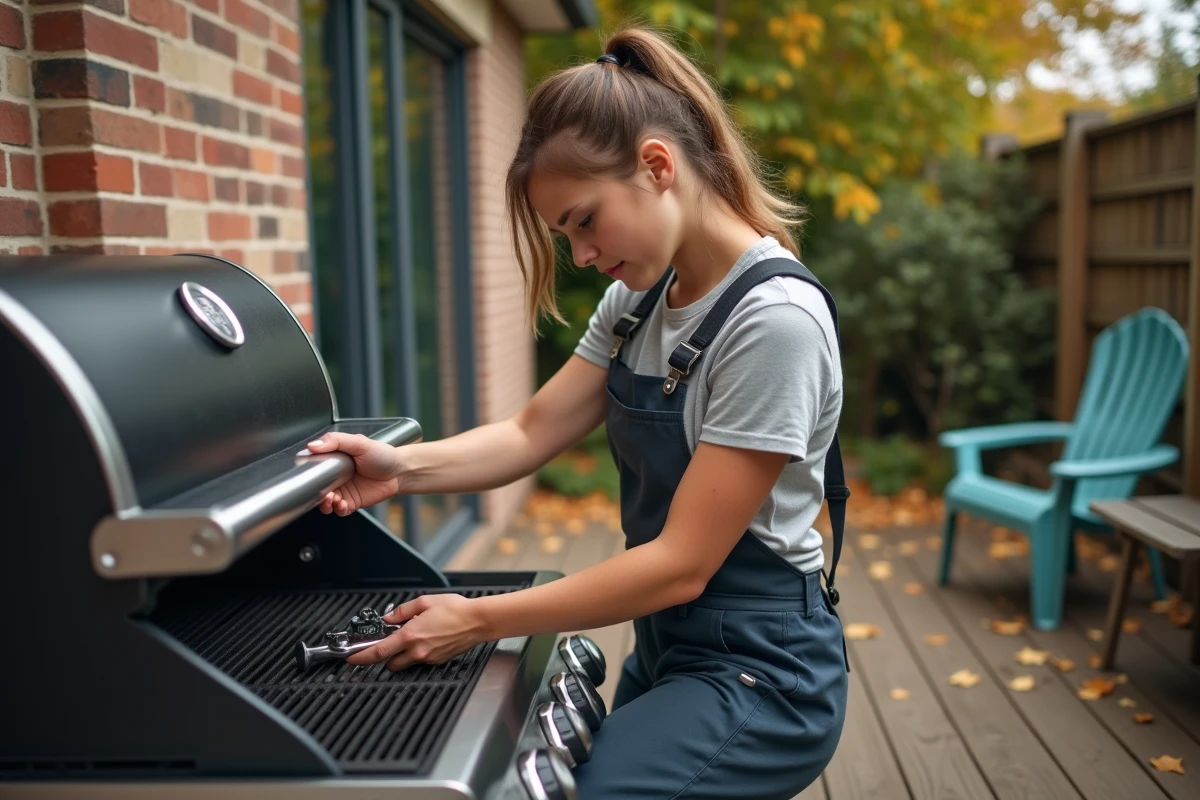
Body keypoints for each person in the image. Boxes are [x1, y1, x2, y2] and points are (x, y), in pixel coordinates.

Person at [305, 24, 849, 799]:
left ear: (657, 166)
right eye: (566, 235)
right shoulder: (638, 303)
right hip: (667, 648)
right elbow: (531, 431)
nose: (584, 256)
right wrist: (399, 469)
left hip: (763, 671)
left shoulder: (774, 323)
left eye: (584, 220)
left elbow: (682, 563)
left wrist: (479, 619)